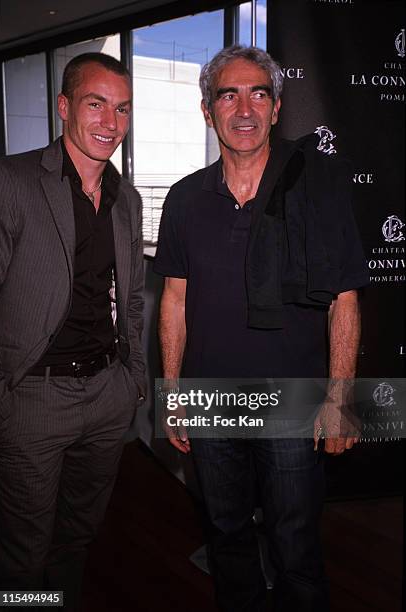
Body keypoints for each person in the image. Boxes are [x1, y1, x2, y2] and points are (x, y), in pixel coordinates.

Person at [154, 45, 369, 612]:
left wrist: (342, 398)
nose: (244, 107)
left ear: (276, 108)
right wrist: (172, 391)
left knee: (296, 547)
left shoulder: (319, 189)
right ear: (208, 110)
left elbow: (344, 299)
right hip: (209, 400)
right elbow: (174, 301)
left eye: (258, 93)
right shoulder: (183, 199)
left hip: (294, 403)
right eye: (229, 94)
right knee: (226, 538)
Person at [0, 53, 146, 610]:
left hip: (106, 397)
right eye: (96, 104)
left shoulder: (126, 200)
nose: (110, 121)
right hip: (31, 397)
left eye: (122, 109)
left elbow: (130, 302)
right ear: (64, 108)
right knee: (21, 553)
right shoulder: (8, 181)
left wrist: (132, 384)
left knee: (76, 538)